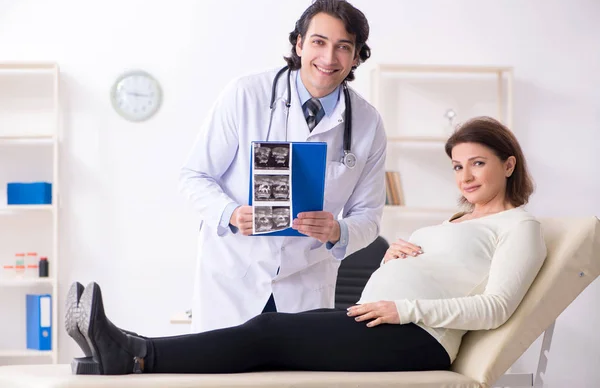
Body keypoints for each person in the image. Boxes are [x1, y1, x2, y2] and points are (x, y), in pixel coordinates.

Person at [67, 117, 547, 375]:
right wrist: (394, 256)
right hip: (379, 319)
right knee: (267, 329)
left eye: (477, 164)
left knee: (268, 335)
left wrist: (405, 307)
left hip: (416, 338)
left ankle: (133, 354)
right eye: (457, 167)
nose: (465, 176)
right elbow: (446, 272)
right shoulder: (456, 221)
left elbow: (495, 307)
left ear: (508, 165)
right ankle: (122, 349)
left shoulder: (519, 227)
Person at [179, 0, 386, 332]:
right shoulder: (246, 95)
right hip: (234, 278)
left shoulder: (367, 123)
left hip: (306, 284)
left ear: (356, 57)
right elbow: (194, 176)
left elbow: (369, 217)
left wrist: (338, 230)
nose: (329, 57)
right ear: (300, 43)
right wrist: (230, 213)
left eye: (343, 46)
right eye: (319, 42)